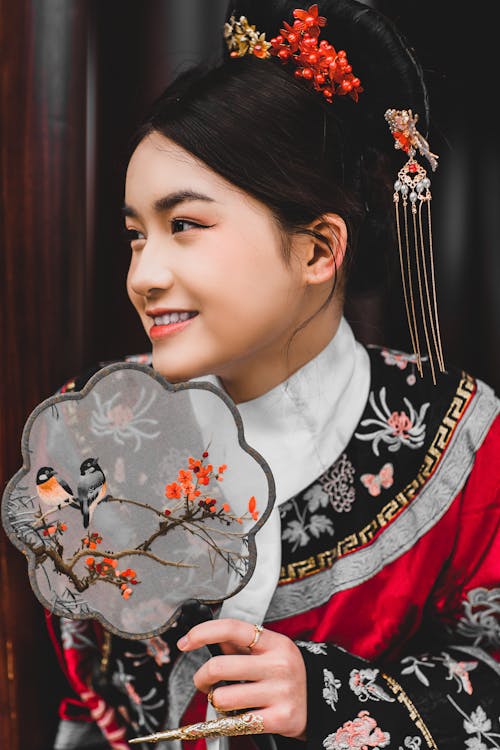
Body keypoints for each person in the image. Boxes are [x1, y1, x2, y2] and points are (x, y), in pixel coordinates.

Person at [46, 1, 500, 748]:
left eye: (184, 225)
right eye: (135, 236)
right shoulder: (92, 429)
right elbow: (83, 701)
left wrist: (330, 696)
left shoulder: (456, 437)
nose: (144, 274)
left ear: (319, 250)